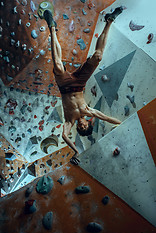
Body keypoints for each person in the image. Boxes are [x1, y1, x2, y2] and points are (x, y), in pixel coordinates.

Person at [38, 2, 122, 164]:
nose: (82, 126)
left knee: (57, 64)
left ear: (77, 128)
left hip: (65, 86)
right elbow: (106, 117)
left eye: (81, 129)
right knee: (97, 56)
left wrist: (76, 151)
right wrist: (125, 125)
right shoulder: (88, 111)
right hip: (79, 83)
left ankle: (52, 28)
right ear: (89, 123)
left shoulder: (69, 121)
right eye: (86, 127)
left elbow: (63, 135)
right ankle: (110, 20)